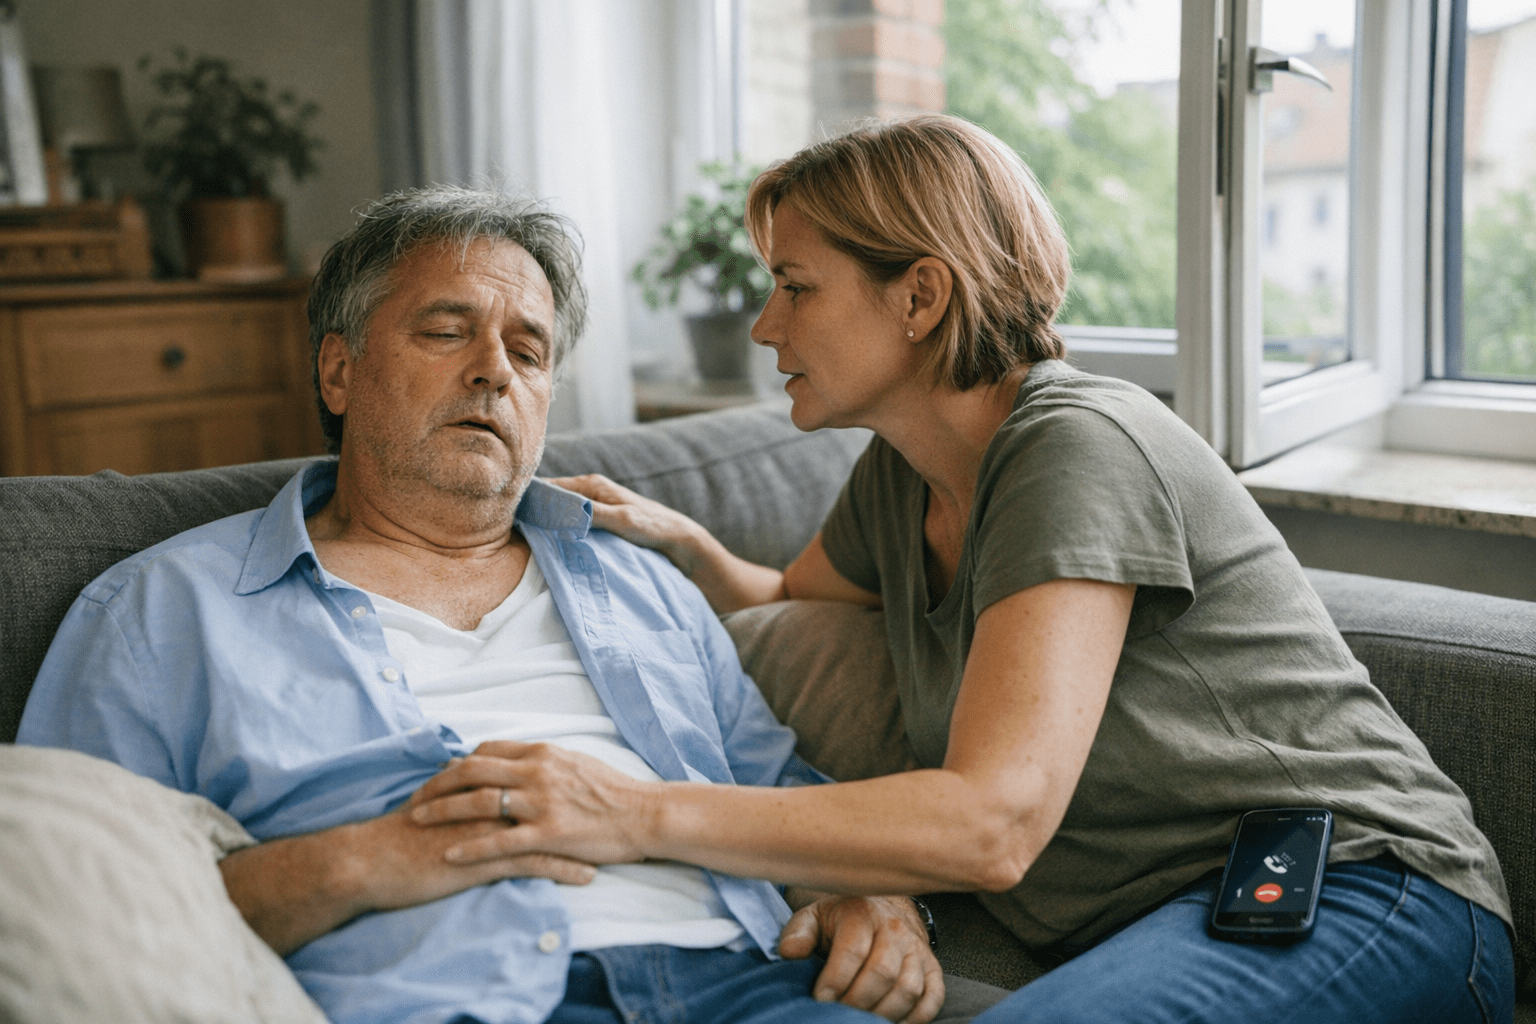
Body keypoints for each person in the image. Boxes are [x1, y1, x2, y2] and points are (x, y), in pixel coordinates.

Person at [410, 117, 1518, 1023]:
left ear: (920, 297)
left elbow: (992, 823)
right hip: (1156, 913)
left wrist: (632, 812)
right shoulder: (904, 473)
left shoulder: (1076, 446)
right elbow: (790, 605)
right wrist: (689, 549)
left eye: (796, 286)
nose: (763, 325)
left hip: (1357, 885)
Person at [17, 186, 1003, 1024]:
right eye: (447, 331)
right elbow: (78, 903)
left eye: (528, 352)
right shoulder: (161, 610)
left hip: (747, 987)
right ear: (339, 369)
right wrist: (359, 862)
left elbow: (779, 791)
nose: (494, 367)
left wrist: (869, 893)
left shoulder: (643, 583)